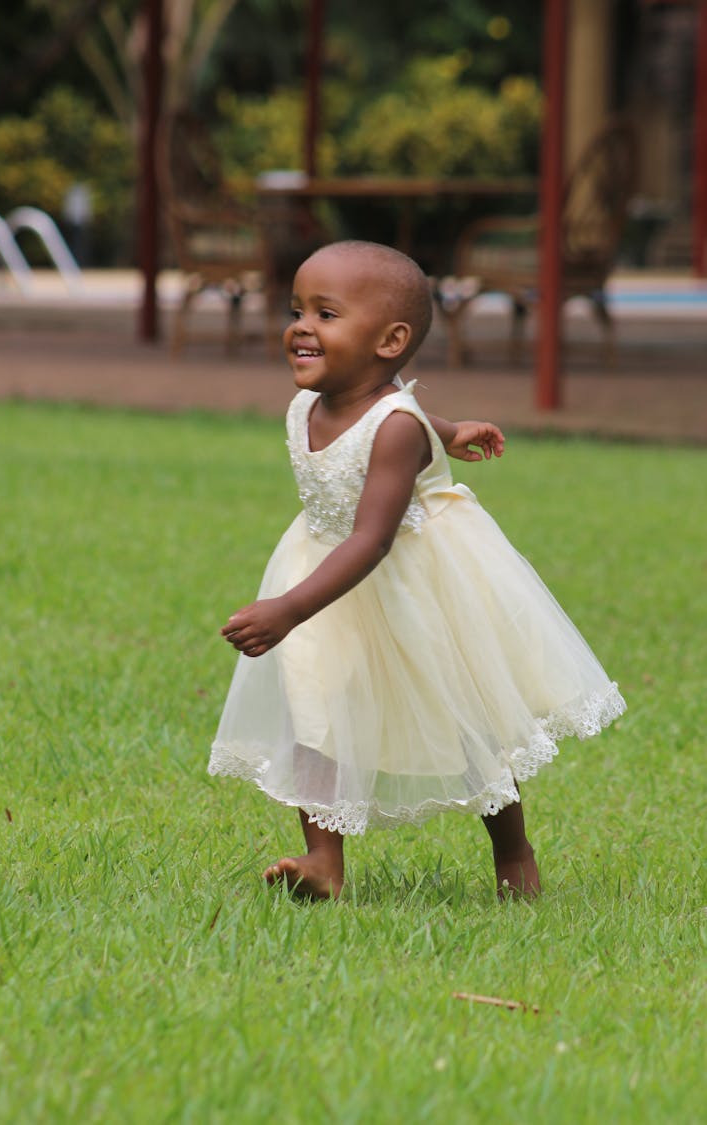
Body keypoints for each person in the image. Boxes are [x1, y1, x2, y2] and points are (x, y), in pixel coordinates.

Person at [209, 240, 625, 901]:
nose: (301, 327)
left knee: (462, 717)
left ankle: (513, 851)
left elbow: (374, 535)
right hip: (323, 562)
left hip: (406, 579)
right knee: (313, 702)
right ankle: (323, 860)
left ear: (390, 338)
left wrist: (287, 609)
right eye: (297, 309)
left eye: (326, 313)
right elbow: (392, 409)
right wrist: (451, 427)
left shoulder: (398, 429)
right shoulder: (312, 403)